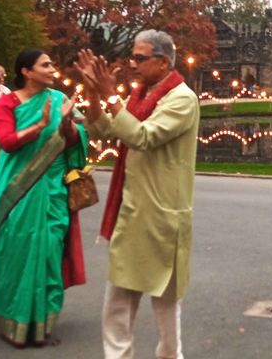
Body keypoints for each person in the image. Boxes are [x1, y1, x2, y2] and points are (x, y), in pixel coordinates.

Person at [75, 30, 199, 359]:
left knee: (166, 307)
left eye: (139, 58)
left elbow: (142, 136)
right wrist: (94, 94)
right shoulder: (139, 96)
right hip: (131, 213)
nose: (133, 64)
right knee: (117, 303)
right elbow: (103, 131)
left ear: (163, 61)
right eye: (133, 57)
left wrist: (111, 96)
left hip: (162, 216)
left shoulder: (182, 99)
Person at [0, 49, 89, 347]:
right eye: (45, 65)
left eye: (52, 64)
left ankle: (42, 324)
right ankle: (13, 322)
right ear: (26, 72)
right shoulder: (7, 103)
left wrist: (67, 125)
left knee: (49, 253)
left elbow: (76, 141)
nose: (52, 69)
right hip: (17, 193)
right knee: (15, 254)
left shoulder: (59, 100)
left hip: (54, 190)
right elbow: (6, 143)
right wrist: (41, 126)